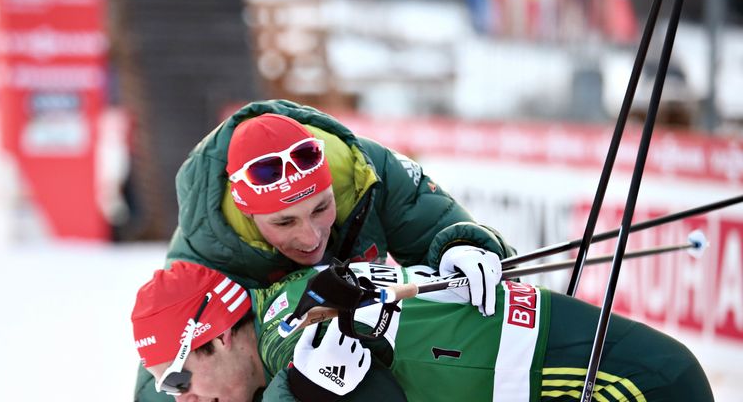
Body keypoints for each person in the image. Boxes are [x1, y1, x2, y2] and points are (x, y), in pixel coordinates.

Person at [134, 99, 513, 401]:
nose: (312, 237)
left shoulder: (368, 173)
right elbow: (172, 377)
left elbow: (447, 234)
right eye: (284, 223)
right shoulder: (208, 253)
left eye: (321, 208)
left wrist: (464, 246)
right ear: (248, 215)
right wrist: (301, 389)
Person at [131, 260, 714, 402]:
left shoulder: (294, 337)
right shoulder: (290, 307)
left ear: (220, 335)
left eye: (179, 379)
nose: (181, 398)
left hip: (623, 383)